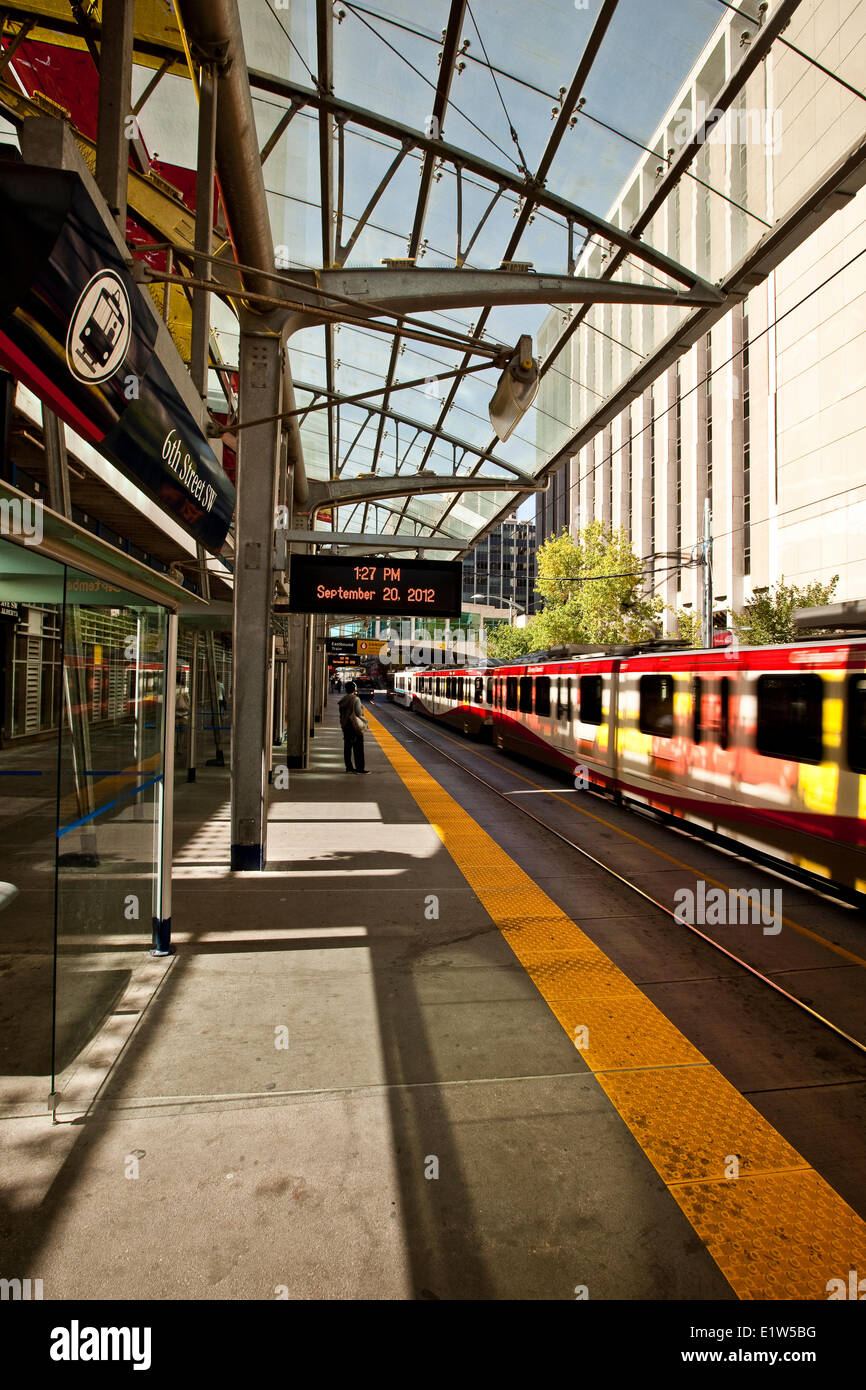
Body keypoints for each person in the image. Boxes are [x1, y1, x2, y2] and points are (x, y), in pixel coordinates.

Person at [338, 680, 369, 774]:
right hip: (354, 727)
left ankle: (349, 768)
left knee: (347, 747)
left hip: (345, 725)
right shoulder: (355, 699)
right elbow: (359, 713)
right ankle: (360, 768)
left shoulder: (343, 699)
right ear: (354, 689)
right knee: (358, 748)